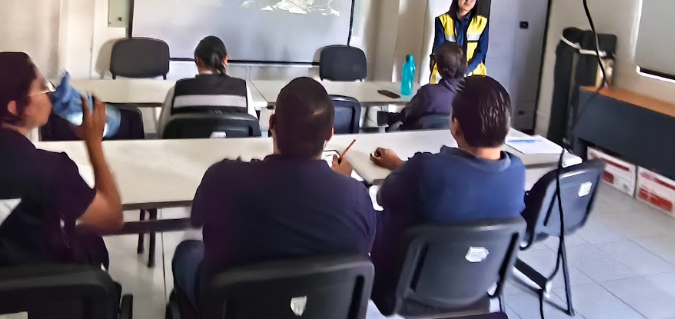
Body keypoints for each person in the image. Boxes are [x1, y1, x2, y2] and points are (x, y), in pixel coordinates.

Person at [171, 77, 376, 308]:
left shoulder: (224, 178)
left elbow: (198, 218)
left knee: (187, 252)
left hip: (233, 308)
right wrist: (341, 183)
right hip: (316, 309)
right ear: (330, 134)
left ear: (271, 123)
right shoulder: (357, 198)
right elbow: (362, 249)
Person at [0, 52, 123, 273]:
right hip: (30, 303)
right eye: (43, 87)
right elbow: (112, 217)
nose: (50, 95)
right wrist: (93, 143)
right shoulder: (49, 169)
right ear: (15, 107)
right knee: (92, 244)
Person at [369, 75, 524, 307]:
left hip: (401, 284)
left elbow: (384, 197)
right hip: (476, 286)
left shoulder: (426, 169)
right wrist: (403, 166)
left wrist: (407, 170)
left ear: (455, 124)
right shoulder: (517, 172)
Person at [158, 36, 257, 136]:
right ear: (225, 60)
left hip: (186, 151)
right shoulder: (242, 90)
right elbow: (254, 132)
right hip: (234, 151)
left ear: (198, 60)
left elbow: (163, 132)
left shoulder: (177, 90)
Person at [394, 43, 465, 130]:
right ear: (466, 65)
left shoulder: (428, 92)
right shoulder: (471, 97)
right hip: (452, 142)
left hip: (415, 139)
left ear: (438, 68)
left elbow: (407, 116)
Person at [431, 0, 489, 82]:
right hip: (447, 71)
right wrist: (450, 69)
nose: (468, 0)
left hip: (472, 71)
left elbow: (481, 51)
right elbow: (438, 48)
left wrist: (467, 70)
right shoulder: (442, 20)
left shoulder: (482, 22)